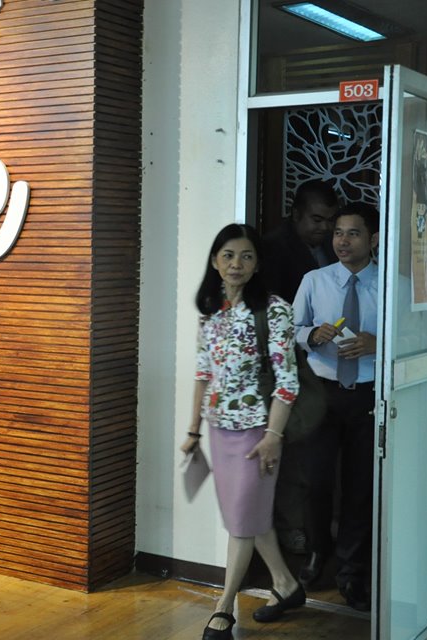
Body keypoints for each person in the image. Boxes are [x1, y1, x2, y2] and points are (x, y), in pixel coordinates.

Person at [181, 223, 306, 640]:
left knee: (241, 523)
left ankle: (223, 608)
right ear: (215, 261)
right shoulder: (211, 310)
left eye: (247, 256)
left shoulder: (274, 310)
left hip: (258, 433)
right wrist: (194, 431)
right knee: (250, 516)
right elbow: (203, 374)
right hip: (221, 431)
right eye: (229, 255)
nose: (237, 264)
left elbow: (288, 382)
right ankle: (286, 584)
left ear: (257, 265)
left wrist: (273, 436)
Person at [292, 202, 379, 611]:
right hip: (322, 393)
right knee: (316, 480)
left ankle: (352, 572)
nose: (342, 241)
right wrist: (312, 335)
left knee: (360, 486)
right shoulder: (315, 280)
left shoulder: (392, 285)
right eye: (338, 233)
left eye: (353, 233)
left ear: (373, 239)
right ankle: (317, 553)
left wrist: (378, 343)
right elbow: (290, 329)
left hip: (368, 394)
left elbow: (416, 333)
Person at [261, 179, 340, 555]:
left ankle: (317, 525)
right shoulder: (274, 249)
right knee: (294, 453)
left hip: (325, 365)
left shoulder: (330, 246)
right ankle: (291, 527)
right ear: (296, 214)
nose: (325, 228)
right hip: (290, 363)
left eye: (330, 220)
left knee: (316, 454)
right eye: (317, 219)